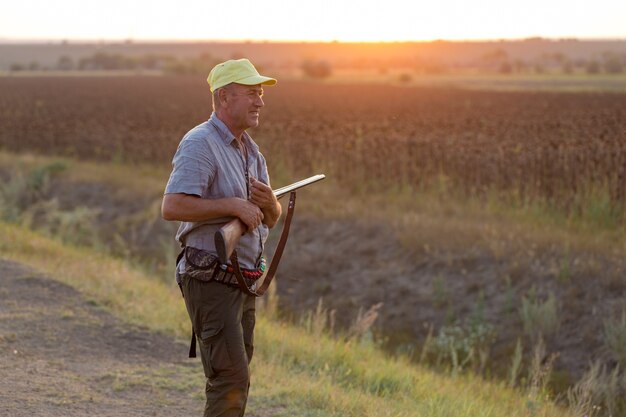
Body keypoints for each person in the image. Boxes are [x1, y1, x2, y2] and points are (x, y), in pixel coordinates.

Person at [161, 58, 281, 417]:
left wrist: (270, 204)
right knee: (229, 378)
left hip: (242, 281)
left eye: (260, 93)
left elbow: (269, 220)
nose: (260, 101)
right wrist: (233, 205)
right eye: (251, 94)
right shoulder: (200, 143)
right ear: (224, 97)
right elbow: (172, 206)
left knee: (236, 379)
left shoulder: (252, 151)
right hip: (210, 278)